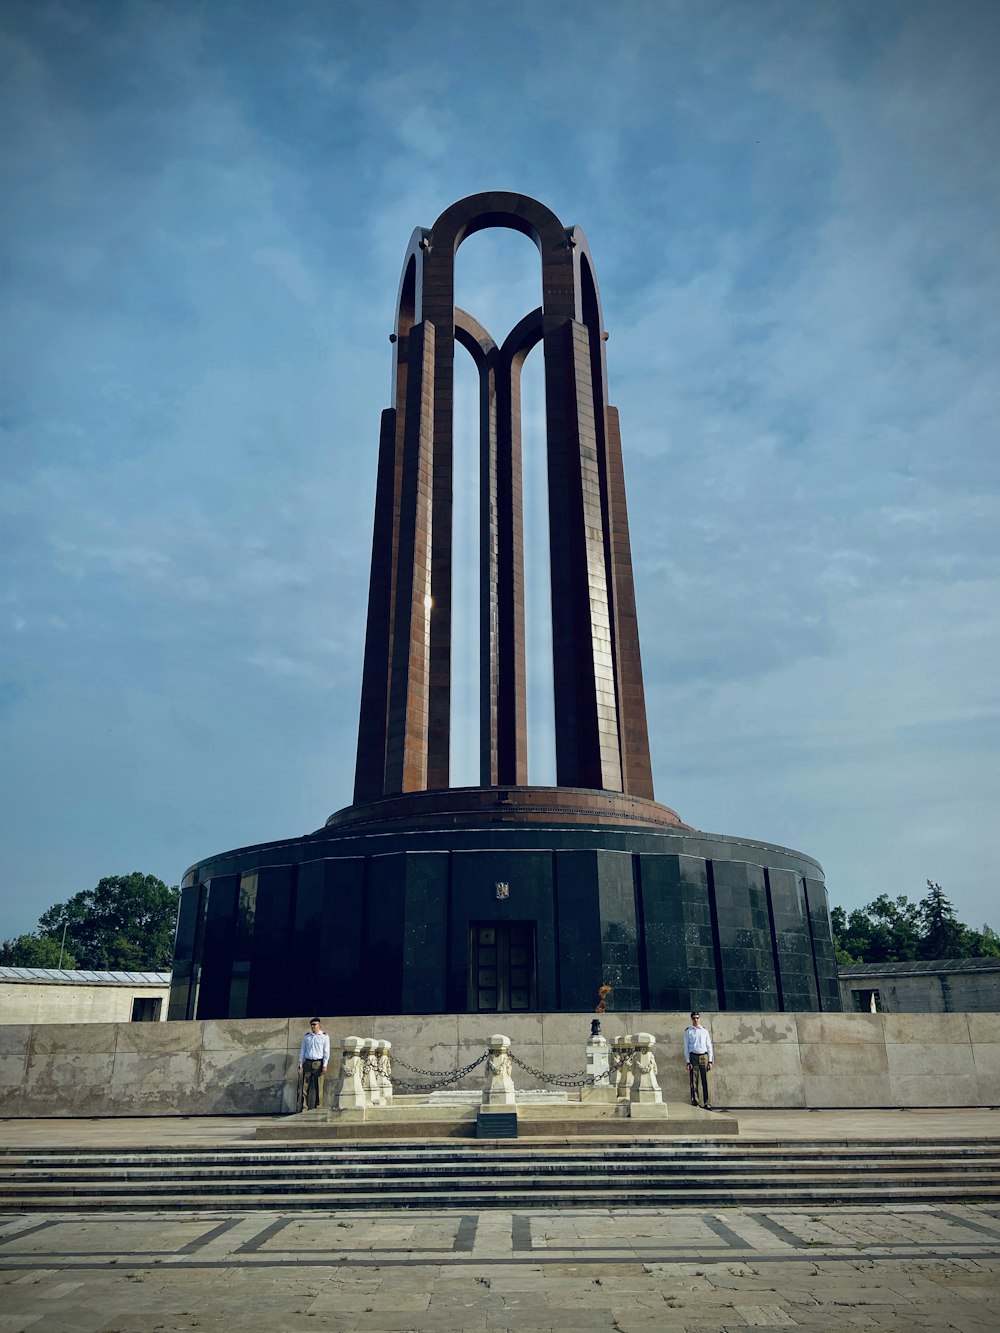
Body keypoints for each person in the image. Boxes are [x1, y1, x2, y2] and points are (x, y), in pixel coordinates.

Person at [297, 1017, 330, 1112]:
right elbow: (302, 1051)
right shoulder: (307, 1036)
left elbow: (326, 1052)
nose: (313, 1027)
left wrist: (324, 1065)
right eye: (311, 1025)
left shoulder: (324, 1036)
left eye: (314, 1025)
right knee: (305, 1087)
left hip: (318, 1063)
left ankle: (318, 1107)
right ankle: (304, 1107)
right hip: (307, 1062)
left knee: (319, 1087)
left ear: (319, 1025)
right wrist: (300, 1064)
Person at [684, 1011, 714, 1108]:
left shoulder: (704, 1031)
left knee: (706, 1081)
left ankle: (707, 1103)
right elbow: (686, 1047)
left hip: (704, 1057)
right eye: (694, 1018)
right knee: (694, 1081)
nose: (695, 1020)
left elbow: (709, 1046)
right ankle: (695, 1102)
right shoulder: (688, 1031)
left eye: (697, 1018)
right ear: (691, 1019)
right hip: (693, 1057)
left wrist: (710, 1061)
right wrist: (688, 1061)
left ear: (699, 1018)